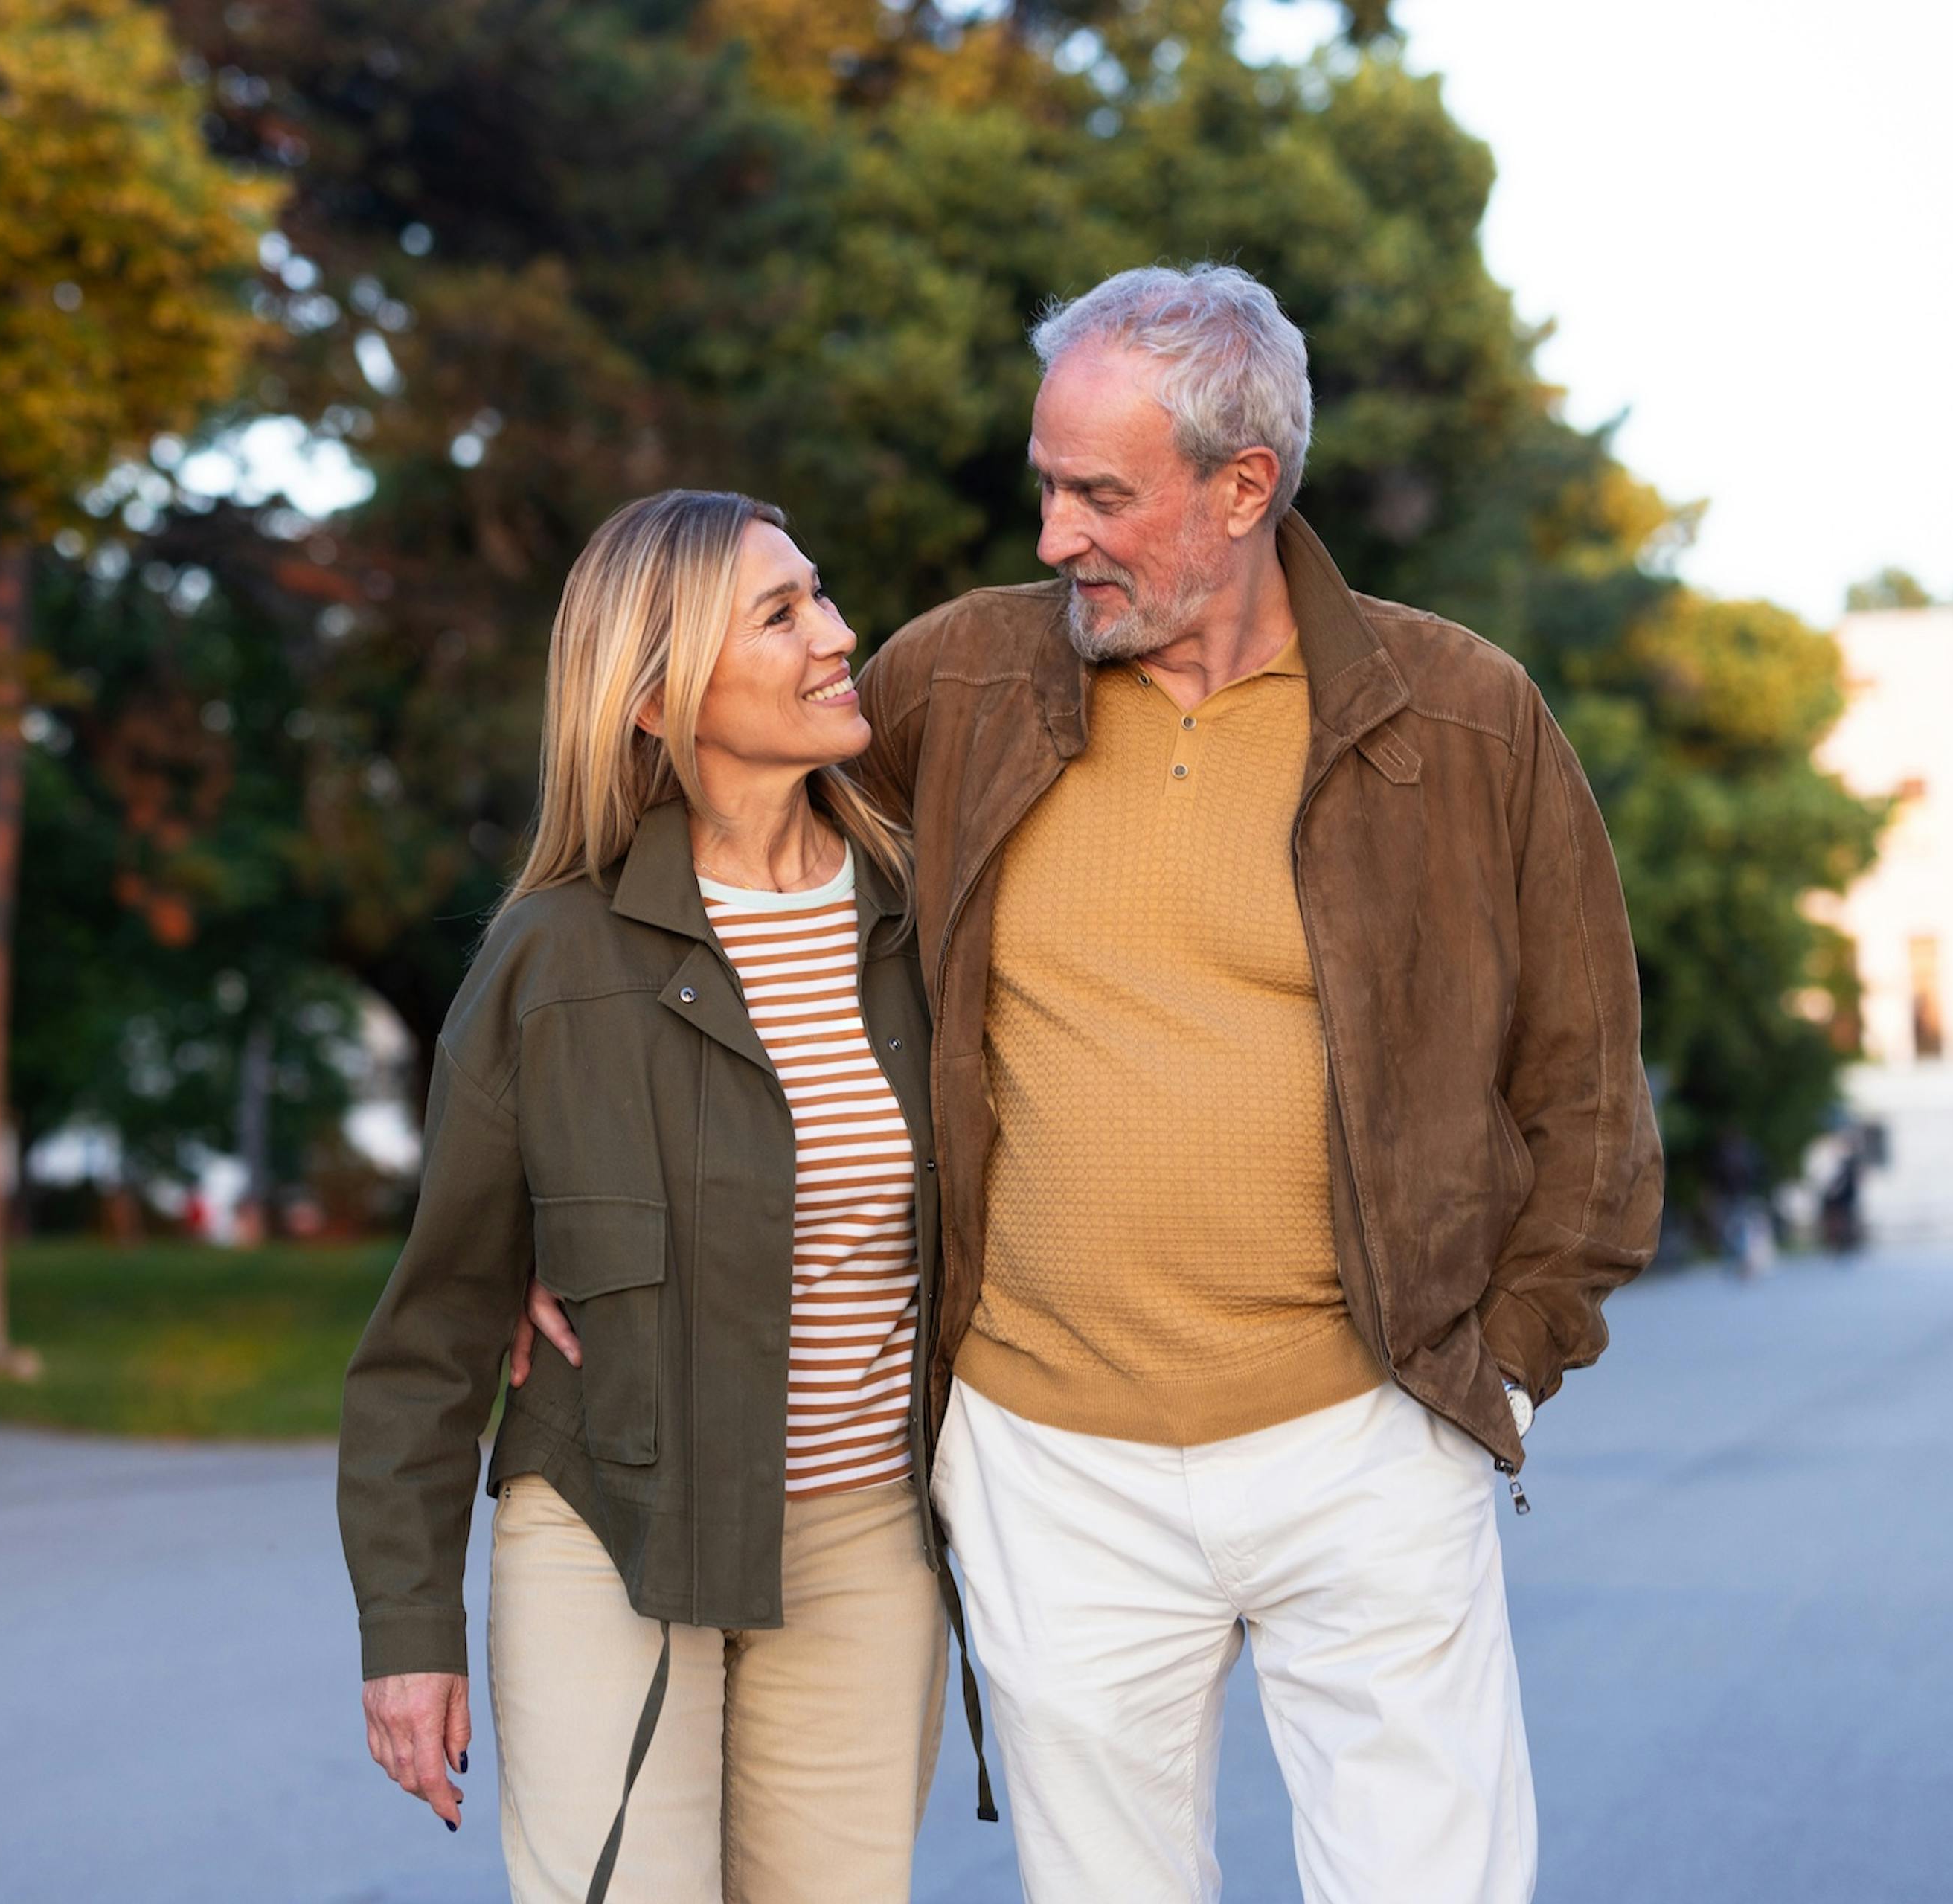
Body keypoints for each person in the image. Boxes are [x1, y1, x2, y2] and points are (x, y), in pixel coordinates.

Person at [532, 265, 1662, 1900]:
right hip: (1048, 1455)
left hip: (1370, 1433)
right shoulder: (953, 686)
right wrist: (538, 1204)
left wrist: (1501, 1372)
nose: (1055, 533)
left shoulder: (1467, 718)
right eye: (1047, 482)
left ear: (1243, 487)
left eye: (1100, 495)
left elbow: (1588, 1090)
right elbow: (697, 884)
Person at [338, 490, 966, 1903]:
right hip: (616, 1528)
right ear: (655, 695)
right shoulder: (552, 959)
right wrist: (406, 1623)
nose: (841, 633)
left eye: (823, 592)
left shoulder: (927, 915)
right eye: (783, 611)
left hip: (867, 1537)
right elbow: (434, 1326)